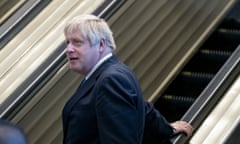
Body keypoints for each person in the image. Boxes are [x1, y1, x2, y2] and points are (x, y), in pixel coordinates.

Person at [62, 14, 193, 144]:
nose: (68, 49)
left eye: (77, 42)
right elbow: (140, 106)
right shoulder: (109, 73)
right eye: (67, 42)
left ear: (101, 45)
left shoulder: (110, 80)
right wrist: (166, 129)